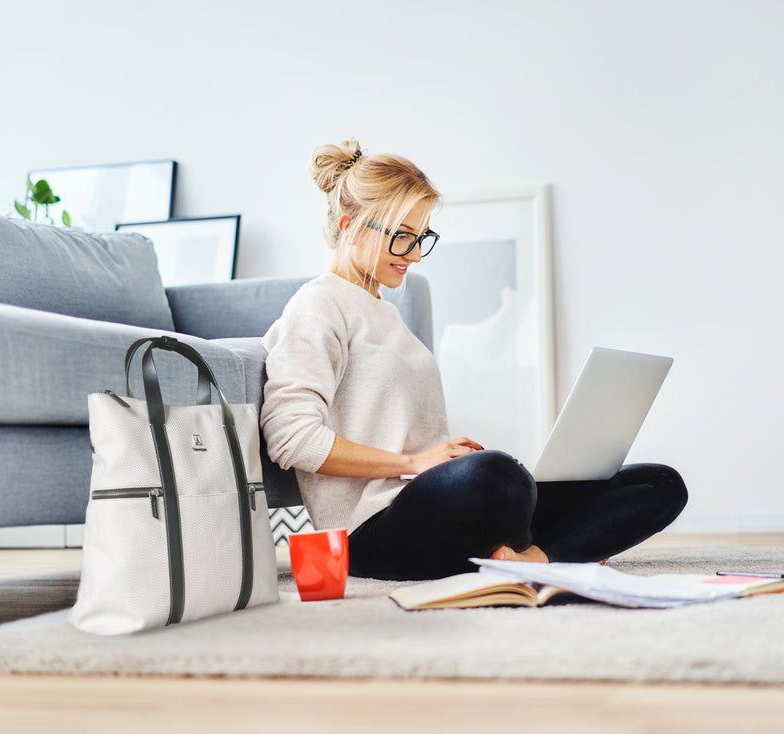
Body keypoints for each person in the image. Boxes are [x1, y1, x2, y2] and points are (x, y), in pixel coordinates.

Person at [261, 139, 688, 581]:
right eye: (401, 236)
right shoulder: (318, 306)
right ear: (350, 226)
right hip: (371, 531)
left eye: (421, 237)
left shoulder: (385, 314)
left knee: (659, 483)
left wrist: (443, 460)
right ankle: (555, 544)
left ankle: (531, 560)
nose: (412, 253)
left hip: (434, 505)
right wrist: (413, 464)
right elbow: (291, 437)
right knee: (500, 476)